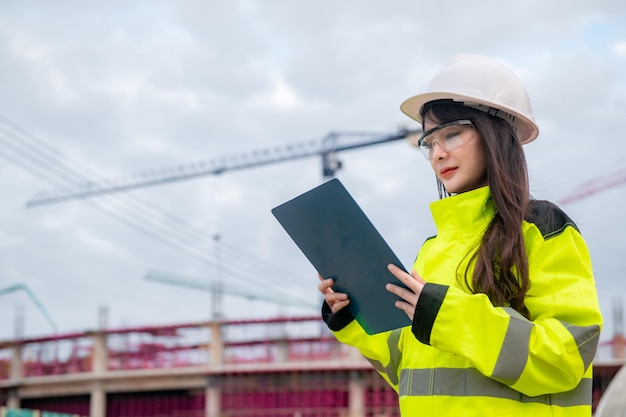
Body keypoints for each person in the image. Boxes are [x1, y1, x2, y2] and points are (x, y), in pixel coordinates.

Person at [318, 54, 603, 416]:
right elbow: (411, 369)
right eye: (429, 142)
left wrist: (448, 315)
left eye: (452, 134)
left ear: (495, 134)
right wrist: (352, 316)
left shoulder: (543, 228)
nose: (438, 153)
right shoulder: (433, 250)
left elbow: (564, 357)